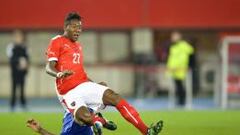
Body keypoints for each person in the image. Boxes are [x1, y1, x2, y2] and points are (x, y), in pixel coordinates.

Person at [45, 12, 163, 135]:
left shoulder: (78, 46)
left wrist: (94, 85)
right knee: (83, 116)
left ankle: (146, 131)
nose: (78, 30)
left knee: (115, 97)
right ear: (66, 27)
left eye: (80, 27)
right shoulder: (57, 41)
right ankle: (100, 121)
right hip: (68, 92)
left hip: (83, 85)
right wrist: (59, 74)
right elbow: (49, 67)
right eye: (74, 26)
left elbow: (79, 71)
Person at [27, 111, 117, 135]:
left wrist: (40, 130)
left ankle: (100, 121)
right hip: (80, 118)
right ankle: (100, 121)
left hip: (77, 119)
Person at [166, 31, 194, 106]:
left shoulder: (184, 45)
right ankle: (180, 100)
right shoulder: (173, 47)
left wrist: (189, 66)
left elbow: (190, 55)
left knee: (182, 86)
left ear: (179, 37)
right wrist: (169, 67)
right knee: (178, 86)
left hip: (182, 69)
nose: (173, 38)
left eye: (175, 36)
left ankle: (183, 101)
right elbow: (171, 58)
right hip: (174, 70)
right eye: (172, 36)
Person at [6, 29, 29, 111]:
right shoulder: (11, 47)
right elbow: (11, 59)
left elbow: (27, 58)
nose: (18, 38)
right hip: (14, 71)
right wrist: (19, 61)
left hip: (22, 72)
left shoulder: (24, 47)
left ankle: (23, 104)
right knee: (14, 88)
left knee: (22, 88)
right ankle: (12, 105)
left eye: (20, 37)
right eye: (16, 37)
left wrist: (25, 65)